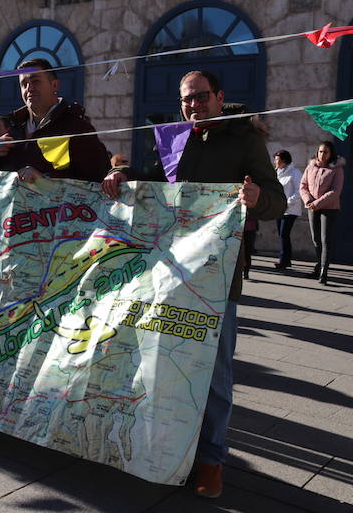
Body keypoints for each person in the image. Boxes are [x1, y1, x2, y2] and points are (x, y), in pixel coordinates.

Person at [102, 69, 285, 499]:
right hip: (167, 270)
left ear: (220, 97)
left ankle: (210, 462)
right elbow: (156, 181)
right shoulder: (175, 138)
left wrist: (258, 200)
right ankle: (165, 450)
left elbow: (276, 198)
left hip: (217, 278)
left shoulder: (244, 139)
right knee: (163, 365)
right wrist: (123, 175)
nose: (194, 105)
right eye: (187, 99)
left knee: (215, 376)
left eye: (202, 97)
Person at [0, 59, 111, 183]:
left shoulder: (77, 127)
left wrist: (45, 181)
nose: (29, 88)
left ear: (55, 85)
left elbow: (95, 181)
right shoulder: (10, 126)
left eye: (35, 81)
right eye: (24, 84)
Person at [299, 141, 345, 285]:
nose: (322, 154)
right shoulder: (311, 166)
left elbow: (335, 191)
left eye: (326, 152)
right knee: (316, 239)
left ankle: (324, 272)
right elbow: (303, 185)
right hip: (312, 207)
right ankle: (318, 266)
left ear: (331, 153)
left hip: (329, 208)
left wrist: (317, 203)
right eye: (320, 151)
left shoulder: (337, 169)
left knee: (326, 240)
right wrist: (308, 201)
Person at [273, 149, 303, 269]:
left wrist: (287, 203)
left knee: (284, 234)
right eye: (275, 159)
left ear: (284, 161)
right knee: (282, 234)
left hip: (290, 209)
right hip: (279, 209)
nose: (275, 162)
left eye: (277, 160)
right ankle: (287, 259)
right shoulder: (276, 172)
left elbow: (298, 191)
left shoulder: (295, 172)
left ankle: (284, 260)